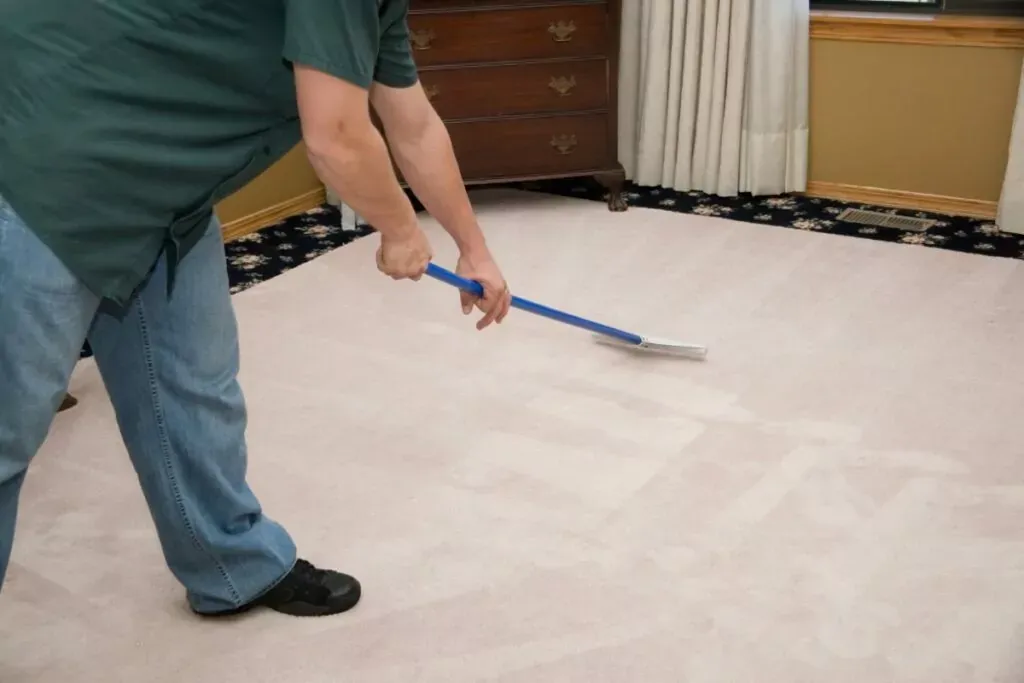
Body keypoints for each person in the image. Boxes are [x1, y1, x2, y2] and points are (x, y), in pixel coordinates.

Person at [0, 0, 512, 617]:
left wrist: (472, 247)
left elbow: (414, 124)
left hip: (161, 177)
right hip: (37, 159)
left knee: (191, 383)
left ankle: (232, 565)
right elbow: (337, 136)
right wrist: (401, 231)